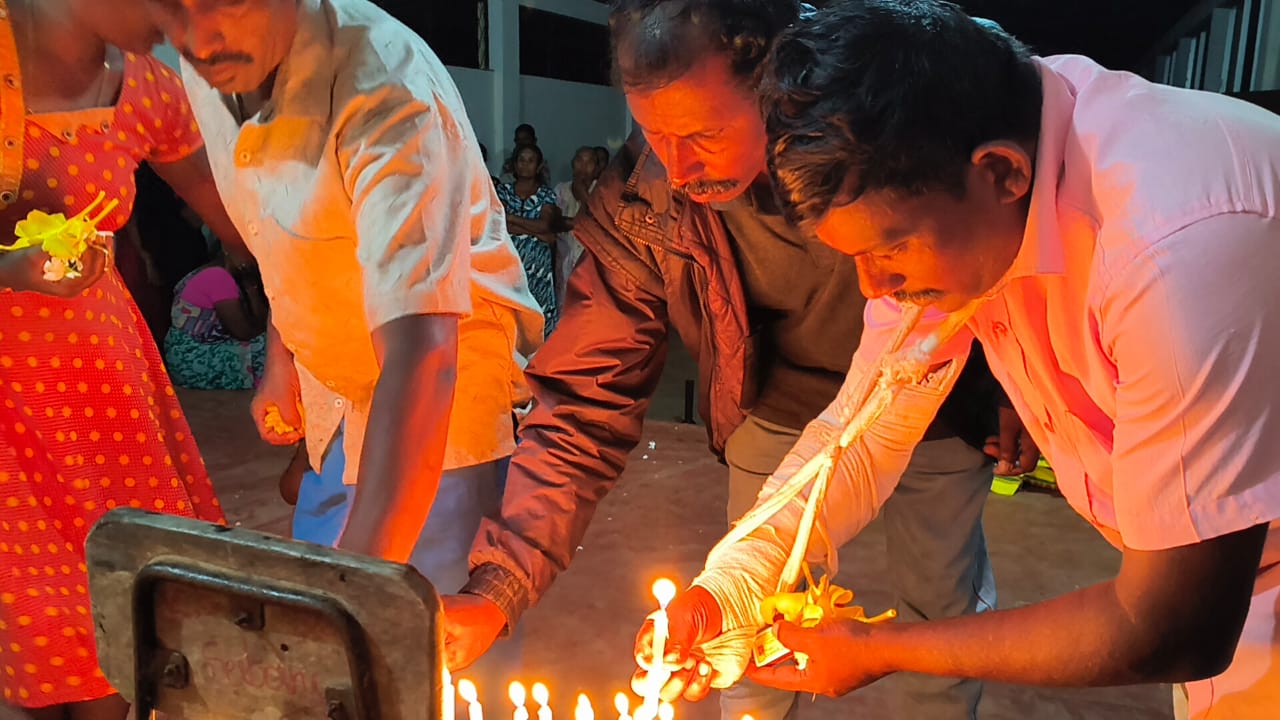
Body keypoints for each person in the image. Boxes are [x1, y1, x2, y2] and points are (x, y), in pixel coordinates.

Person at [633, 2, 1280, 718]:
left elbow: (1172, 624)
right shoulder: (966, 174)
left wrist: (883, 650)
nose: (873, 288)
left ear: (1001, 172)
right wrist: (728, 590)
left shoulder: (1172, 248)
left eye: (889, 249)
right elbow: (863, 428)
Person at [444, 3, 1030, 719]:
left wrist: (1011, 378)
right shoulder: (646, 199)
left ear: (783, 79)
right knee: (735, 640)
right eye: (656, 135)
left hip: (934, 399)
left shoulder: (889, 127)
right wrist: (500, 582)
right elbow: (584, 396)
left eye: (705, 134)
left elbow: (982, 257)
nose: (680, 168)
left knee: (939, 621)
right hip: (776, 412)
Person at [146, 0, 543, 701]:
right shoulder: (211, 59)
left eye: (227, 4)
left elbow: (423, 355)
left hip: (443, 399)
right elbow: (281, 230)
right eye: (176, 9)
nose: (200, 39)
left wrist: (352, 598)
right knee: (327, 624)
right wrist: (284, 358)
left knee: (423, 643)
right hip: (335, 390)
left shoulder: (386, 87)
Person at [0, 0, 246, 717]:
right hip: (11, 415)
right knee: (28, 631)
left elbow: (244, 222)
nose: (184, 21)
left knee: (116, 621)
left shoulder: (148, 89)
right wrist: (8, 268)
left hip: (104, 403)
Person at [163, 247, 269, 390]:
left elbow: (261, 321)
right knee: (269, 345)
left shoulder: (210, 271)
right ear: (227, 250)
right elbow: (244, 332)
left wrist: (252, 288)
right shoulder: (219, 277)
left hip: (187, 353)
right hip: (193, 358)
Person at [496, 144, 561, 336]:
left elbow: (545, 226)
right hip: (509, 264)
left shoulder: (546, 194)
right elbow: (499, 224)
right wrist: (537, 231)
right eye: (521, 160)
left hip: (537, 267)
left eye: (531, 161)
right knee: (509, 316)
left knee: (537, 317)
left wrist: (512, 218)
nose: (525, 165)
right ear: (515, 165)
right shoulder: (503, 191)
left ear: (539, 166)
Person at [551, 146, 599, 306]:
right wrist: (584, 224)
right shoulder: (561, 189)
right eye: (579, 160)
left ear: (596, 168)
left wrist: (583, 194)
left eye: (589, 162)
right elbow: (553, 222)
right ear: (572, 164)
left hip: (591, 261)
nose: (583, 166)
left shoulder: (602, 189)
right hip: (565, 256)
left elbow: (601, 223)